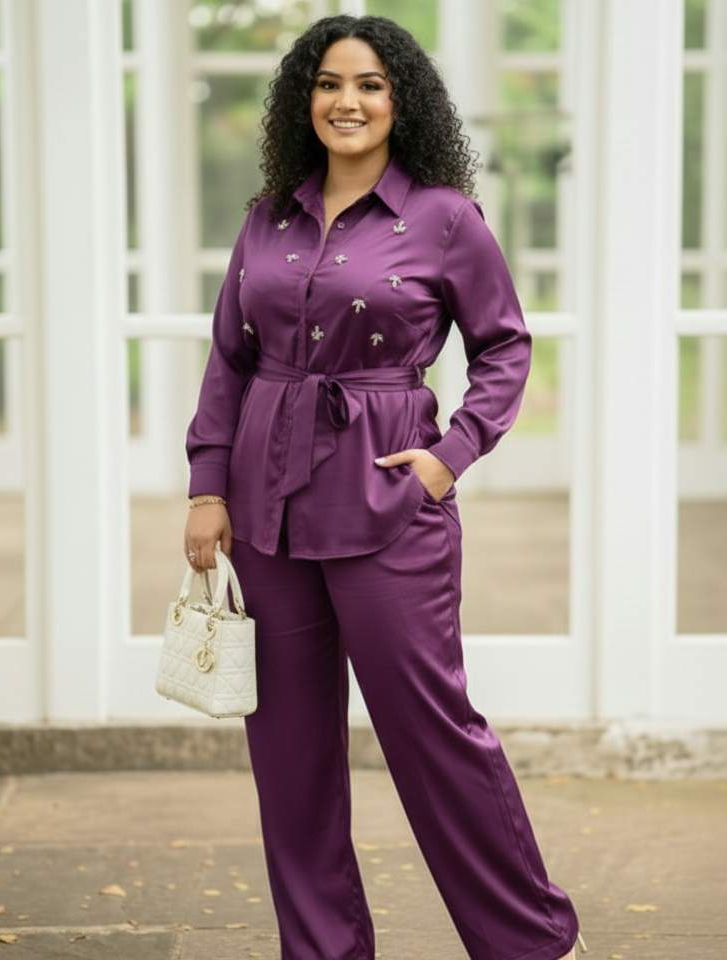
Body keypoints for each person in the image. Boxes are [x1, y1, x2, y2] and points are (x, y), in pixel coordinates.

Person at [184, 14, 585, 960]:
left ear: (400, 101)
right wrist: (208, 487)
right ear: (304, 100)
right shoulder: (266, 216)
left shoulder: (444, 217)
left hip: (388, 503)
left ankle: (530, 941)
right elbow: (228, 362)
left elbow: (504, 347)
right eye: (328, 84)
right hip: (266, 509)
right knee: (289, 759)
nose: (347, 102)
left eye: (368, 85)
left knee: (433, 734)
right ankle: (323, 950)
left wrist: (453, 453)